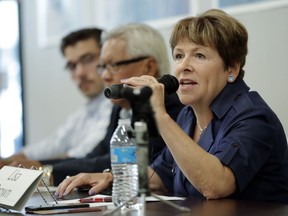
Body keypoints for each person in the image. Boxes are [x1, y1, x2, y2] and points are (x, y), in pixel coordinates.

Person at [56, 9, 288, 203]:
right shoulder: (188, 116)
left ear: (232, 69)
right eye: (178, 56)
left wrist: (160, 114)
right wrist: (110, 177)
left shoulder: (254, 117)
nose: (183, 66)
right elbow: (159, 175)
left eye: (199, 56)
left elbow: (215, 186)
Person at [1, 23, 184, 186]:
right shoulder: (121, 107)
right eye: (102, 66)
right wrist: (43, 168)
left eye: (113, 65)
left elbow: (126, 162)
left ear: (148, 67)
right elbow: (95, 157)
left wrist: (45, 171)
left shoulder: (168, 106)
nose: (104, 76)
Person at [0, 28, 112, 164]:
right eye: (72, 66)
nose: (80, 73)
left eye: (87, 59)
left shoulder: (118, 106)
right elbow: (54, 143)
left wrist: (34, 164)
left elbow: (86, 155)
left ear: (108, 57)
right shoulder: (86, 111)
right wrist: (11, 160)